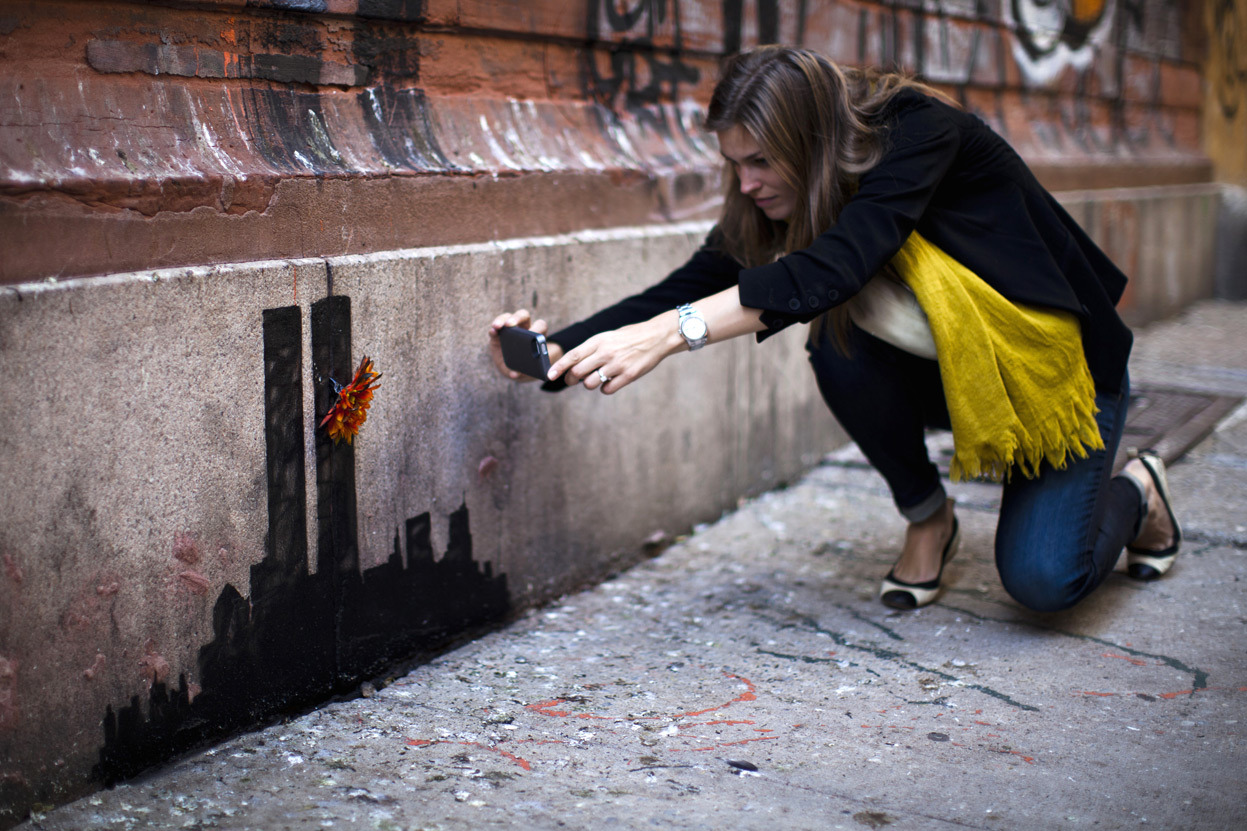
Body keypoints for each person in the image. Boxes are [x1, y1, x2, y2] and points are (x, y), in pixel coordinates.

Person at [487, 46, 1180, 613]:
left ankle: (1138, 489)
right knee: (837, 343)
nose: (748, 182)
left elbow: (839, 265)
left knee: (1042, 582)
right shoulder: (784, 195)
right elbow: (689, 283)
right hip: (950, 374)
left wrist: (675, 334)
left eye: (760, 160)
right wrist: (552, 352)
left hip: (1056, 375)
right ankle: (927, 516)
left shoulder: (921, 132)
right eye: (734, 164)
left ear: (810, 140)